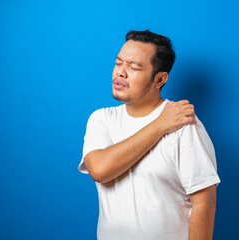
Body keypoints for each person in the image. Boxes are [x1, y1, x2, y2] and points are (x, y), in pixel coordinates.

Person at [79, 30, 220, 240]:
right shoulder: (102, 119)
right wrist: (159, 125)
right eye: (118, 63)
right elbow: (100, 169)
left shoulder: (184, 124)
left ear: (160, 79)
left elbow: (204, 202)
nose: (120, 73)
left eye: (134, 67)